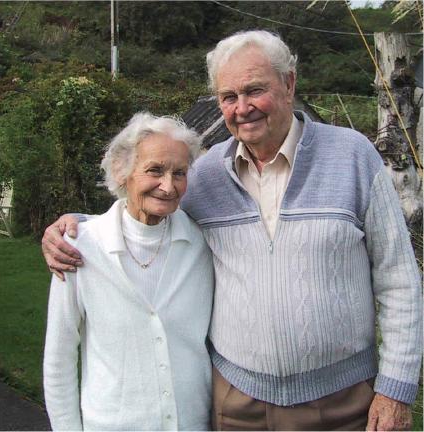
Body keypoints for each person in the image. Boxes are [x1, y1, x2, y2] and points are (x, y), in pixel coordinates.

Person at [42, 30, 422, 431]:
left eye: (255, 90)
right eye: (228, 97)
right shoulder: (204, 176)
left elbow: (398, 278)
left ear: (289, 84)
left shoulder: (352, 156)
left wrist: (395, 388)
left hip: (342, 401)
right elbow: (147, 207)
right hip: (238, 405)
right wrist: (79, 227)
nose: (242, 108)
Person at [43, 112, 214, 431]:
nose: (168, 186)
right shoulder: (80, 246)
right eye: (155, 170)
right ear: (123, 172)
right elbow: (59, 359)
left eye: (179, 173)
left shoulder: (201, 244)